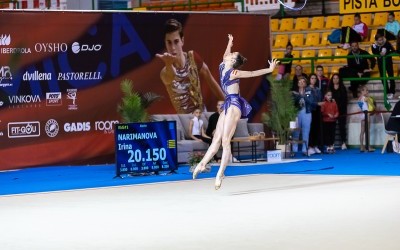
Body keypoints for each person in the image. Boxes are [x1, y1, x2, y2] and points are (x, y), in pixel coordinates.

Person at [192, 34, 279, 189]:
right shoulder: (223, 64)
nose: (229, 54)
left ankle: (220, 173)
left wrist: (269, 69)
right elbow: (225, 54)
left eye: (232, 54)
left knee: (225, 141)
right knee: (216, 138)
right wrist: (230, 43)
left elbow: (252, 73)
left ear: (233, 61)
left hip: (235, 104)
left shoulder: (234, 72)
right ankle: (202, 164)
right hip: (227, 104)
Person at [156, 19, 224, 114]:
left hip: (203, 116)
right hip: (185, 123)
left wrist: (228, 103)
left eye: (176, 42)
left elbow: (210, 80)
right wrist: (168, 64)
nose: (173, 48)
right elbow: (170, 76)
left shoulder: (193, 58)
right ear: (165, 43)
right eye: (169, 42)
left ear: (182, 41)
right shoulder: (165, 72)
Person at [292, 76, 317, 156]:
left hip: (307, 112)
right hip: (296, 113)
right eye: (300, 82)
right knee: (296, 132)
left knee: (306, 131)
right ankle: (294, 150)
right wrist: (298, 95)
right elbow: (293, 103)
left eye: (303, 82)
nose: (302, 83)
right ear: (298, 84)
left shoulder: (309, 92)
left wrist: (303, 95)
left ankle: (304, 149)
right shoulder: (294, 93)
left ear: (306, 84)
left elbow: (312, 102)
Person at [371, 33, 396, 99]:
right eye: (379, 40)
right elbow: (374, 53)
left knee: (391, 76)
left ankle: (392, 91)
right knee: (383, 77)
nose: (381, 41)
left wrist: (386, 51)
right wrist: (377, 50)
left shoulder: (387, 43)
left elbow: (393, 50)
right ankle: (387, 92)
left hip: (388, 62)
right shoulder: (374, 45)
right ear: (376, 40)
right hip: (380, 63)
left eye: (382, 39)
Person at [329, 73, 348, 150]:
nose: (335, 80)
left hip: (342, 111)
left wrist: (339, 108)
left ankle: (343, 143)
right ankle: (331, 143)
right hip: (332, 111)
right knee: (331, 128)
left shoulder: (343, 88)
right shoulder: (329, 88)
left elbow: (345, 100)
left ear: (339, 79)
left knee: (342, 127)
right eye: (334, 78)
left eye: (337, 78)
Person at [307, 74, 323, 155]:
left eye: (315, 78)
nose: (313, 80)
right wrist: (317, 104)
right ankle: (310, 146)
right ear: (309, 79)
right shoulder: (307, 90)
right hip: (310, 111)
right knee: (311, 129)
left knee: (317, 129)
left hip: (317, 111)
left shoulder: (318, 89)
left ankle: (316, 145)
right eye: (312, 78)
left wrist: (319, 104)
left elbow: (320, 99)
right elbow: (308, 101)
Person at [357, 85, 375, 152]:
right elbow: (372, 106)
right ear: (362, 91)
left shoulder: (359, 98)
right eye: (366, 90)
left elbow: (360, 107)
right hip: (366, 114)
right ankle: (368, 146)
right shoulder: (365, 98)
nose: (367, 91)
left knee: (362, 131)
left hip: (361, 115)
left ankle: (362, 146)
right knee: (367, 131)